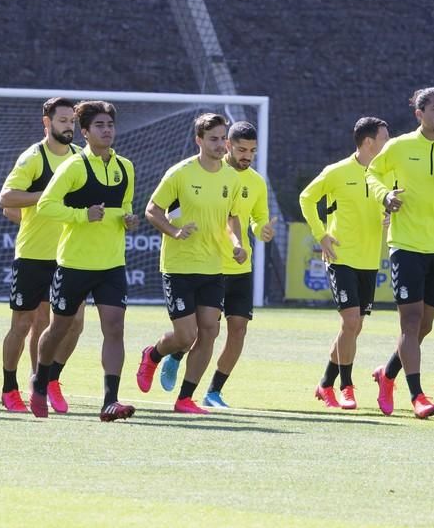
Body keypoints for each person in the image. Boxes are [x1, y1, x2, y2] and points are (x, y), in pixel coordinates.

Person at [366, 87, 434, 419]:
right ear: (419, 113)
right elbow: (372, 173)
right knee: (410, 322)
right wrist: (385, 196)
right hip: (406, 245)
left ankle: (386, 374)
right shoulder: (399, 146)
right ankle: (417, 396)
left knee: (423, 326)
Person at [33, 100, 139, 422]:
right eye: (99, 126)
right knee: (59, 328)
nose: (107, 131)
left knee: (115, 328)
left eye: (110, 125)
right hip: (74, 264)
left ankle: (110, 400)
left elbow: (125, 206)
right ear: (85, 132)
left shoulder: (126, 167)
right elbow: (46, 206)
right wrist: (82, 215)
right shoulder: (74, 167)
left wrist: (128, 220)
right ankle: (40, 381)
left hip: (111, 264)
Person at [158, 121, 276, 408]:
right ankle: (174, 354)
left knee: (237, 329)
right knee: (195, 333)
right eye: (241, 149)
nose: (247, 155)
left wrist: (262, 230)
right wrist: (176, 230)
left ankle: (213, 391)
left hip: (239, 265)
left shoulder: (256, 182)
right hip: (210, 264)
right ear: (227, 146)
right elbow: (165, 211)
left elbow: (256, 218)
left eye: (253, 150)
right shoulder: (199, 173)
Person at [136, 113, 246, 414]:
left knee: (209, 331)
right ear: (199, 140)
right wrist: (174, 231)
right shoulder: (180, 173)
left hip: (213, 265)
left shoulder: (231, 178)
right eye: (213, 139)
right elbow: (152, 210)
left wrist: (237, 244)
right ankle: (154, 354)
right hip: (179, 265)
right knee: (186, 335)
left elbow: (232, 217)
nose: (220, 144)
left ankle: (185, 398)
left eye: (223, 138)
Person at [0, 97, 85, 413]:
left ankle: (47, 381)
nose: (68, 126)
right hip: (33, 255)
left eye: (71, 121)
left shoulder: (80, 158)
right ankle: (9, 388)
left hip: (69, 256)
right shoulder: (33, 158)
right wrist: (43, 197)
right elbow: (6, 198)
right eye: (62, 120)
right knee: (25, 324)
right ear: (47, 123)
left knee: (74, 323)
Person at [298, 117, 389, 410]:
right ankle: (346, 387)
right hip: (341, 257)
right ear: (368, 142)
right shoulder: (337, 172)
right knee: (350, 322)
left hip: (369, 259)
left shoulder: (387, 175)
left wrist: (389, 218)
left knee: (353, 328)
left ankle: (325, 384)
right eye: (385, 138)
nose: (390, 144)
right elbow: (306, 198)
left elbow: (390, 210)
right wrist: (321, 235)